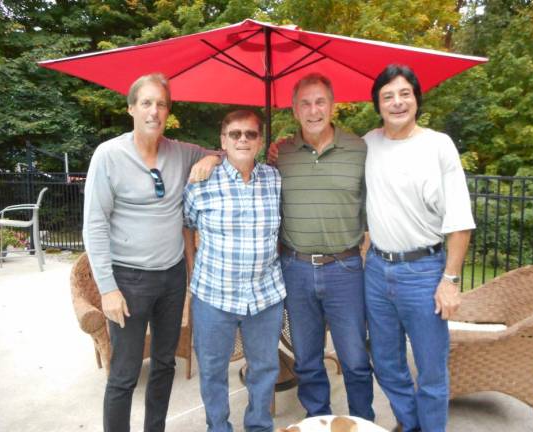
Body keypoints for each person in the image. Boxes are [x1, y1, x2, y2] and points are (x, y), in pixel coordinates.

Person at [83, 73, 221, 432]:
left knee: (164, 365)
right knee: (125, 374)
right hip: (128, 281)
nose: (153, 111)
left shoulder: (180, 152)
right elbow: (94, 225)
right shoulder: (109, 155)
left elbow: (221, 151)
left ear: (168, 111)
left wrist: (210, 160)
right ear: (131, 108)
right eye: (146, 102)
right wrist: (107, 288)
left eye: (161, 104)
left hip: (172, 278)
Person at [363, 64, 475, 432]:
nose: (397, 103)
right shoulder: (368, 144)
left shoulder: (438, 145)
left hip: (424, 273)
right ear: (378, 105)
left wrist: (450, 280)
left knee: (430, 370)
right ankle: (411, 425)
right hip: (377, 271)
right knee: (387, 363)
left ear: (416, 99)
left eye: (404, 94)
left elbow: (459, 222)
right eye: (388, 96)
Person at [273, 73, 374, 420]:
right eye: (305, 103)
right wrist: (209, 159)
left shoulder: (359, 149)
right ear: (294, 109)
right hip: (295, 269)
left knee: (356, 359)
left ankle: (362, 422)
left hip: (345, 269)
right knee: (307, 360)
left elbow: (374, 206)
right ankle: (318, 419)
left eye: (320, 102)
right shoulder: (280, 154)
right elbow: (238, 159)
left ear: (332, 106)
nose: (313, 110)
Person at [183, 110, 285, 432]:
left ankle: (259, 425)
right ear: (222, 140)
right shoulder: (200, 181)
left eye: (251, 134)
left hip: (265, 294)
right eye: (235, 134)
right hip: (214, 294)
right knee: (212, 370)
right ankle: (218, 427)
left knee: (265, 367)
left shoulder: (275, 179)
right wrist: (191, 268)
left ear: (259, 142)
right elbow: (186, 226)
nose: (243, 139)